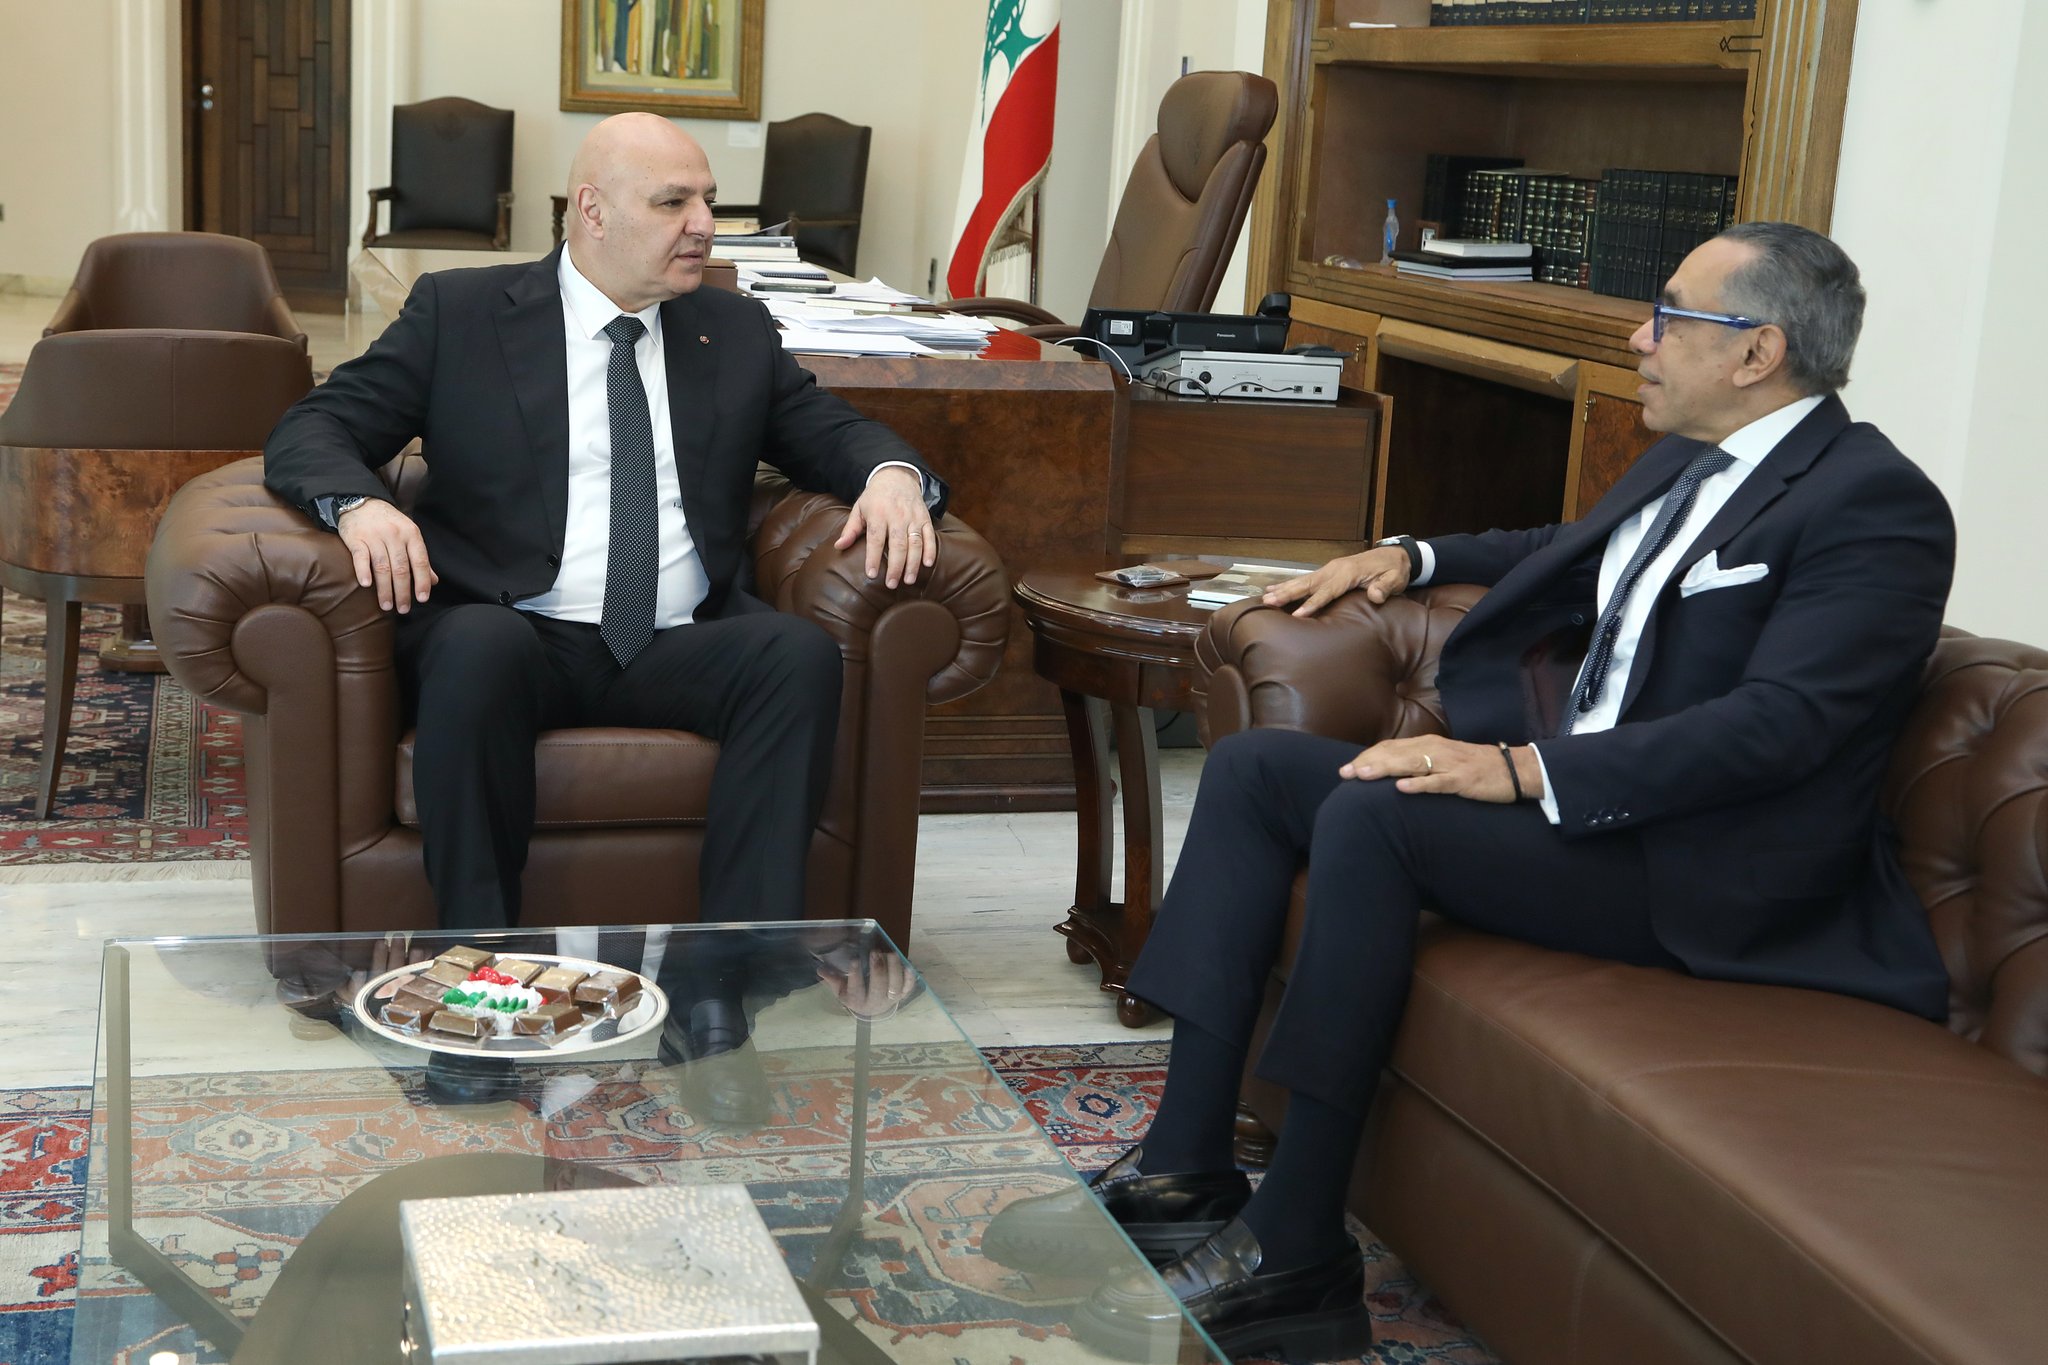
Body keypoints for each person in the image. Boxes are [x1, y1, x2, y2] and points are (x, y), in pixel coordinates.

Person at [983, 223, 1954, 1363]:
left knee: (1377, 812)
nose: (1638, 339)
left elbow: (1784, 725)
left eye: (1668, 316)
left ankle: (1296, 1246)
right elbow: (1572, 545)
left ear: (1757, 351)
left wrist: (1521, 769)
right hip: (1587, 820)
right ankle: (1181, 1167)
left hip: (1697, 864)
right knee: (1253, 772)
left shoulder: (1875, 504)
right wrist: (1413, 556)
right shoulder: (1693, 456)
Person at [264, 113, 945, 941]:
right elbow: (315, 425)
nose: (704, 224)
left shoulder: (730, 328)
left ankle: (733, 976)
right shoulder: (463, 312)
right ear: (592, 210)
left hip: (675, 638)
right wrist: (359, 503)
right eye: (673, 202)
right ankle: (480, 962)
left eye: (708, 200)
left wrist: (893, 477)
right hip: (513, 629)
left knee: (794, 655)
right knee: (478, 646)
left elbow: (828, 431)